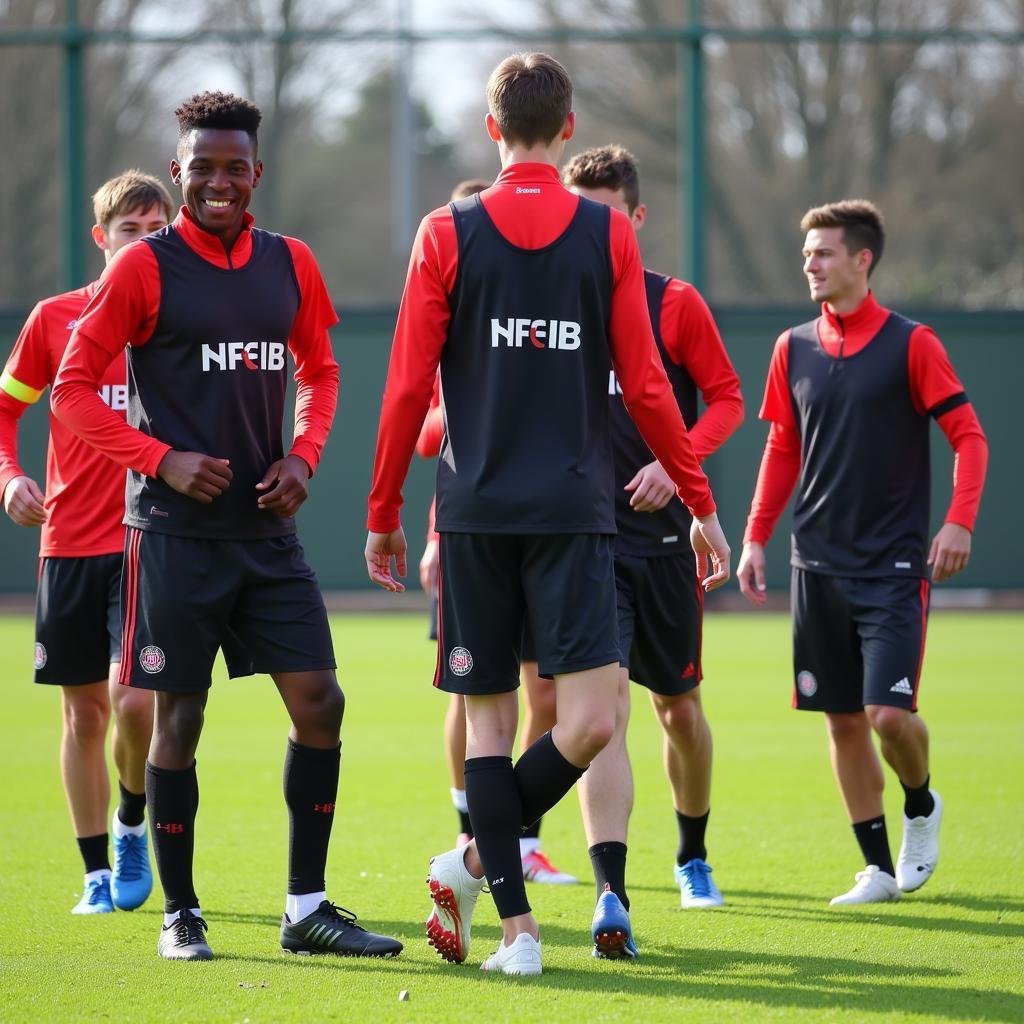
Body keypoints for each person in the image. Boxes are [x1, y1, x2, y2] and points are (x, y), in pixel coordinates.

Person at [365, 52, 730, 976]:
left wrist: (382, 511)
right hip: (550, 513)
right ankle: (518, 934)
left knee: (579, 718)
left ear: (492, 129)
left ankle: (473, 861)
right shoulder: (603, 238)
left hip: (515, 511)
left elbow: (406, 386)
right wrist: (701, 496)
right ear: (567, 129)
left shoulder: (444, 231)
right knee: (538, 723)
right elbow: (650, 389)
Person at [51, 91, 402, 962]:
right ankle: (182, 914)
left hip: (266, 539)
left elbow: (320, 371)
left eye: (233, 168)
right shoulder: (144, 268)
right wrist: (157, 458)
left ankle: (306, 908)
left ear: (257, 173)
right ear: (179, 173)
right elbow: (72, 388)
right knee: (179, 722)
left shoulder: (292, 263)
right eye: (201, 167)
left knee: (322, 704)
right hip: (171, 539)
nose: (218, 181)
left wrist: (305, 456)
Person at [736, 200, 988, 905]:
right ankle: (876, 867)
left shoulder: (914, 344)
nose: (809, 265)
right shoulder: (794, 347)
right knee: (843, 718)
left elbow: (970, 437)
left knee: (888, 716)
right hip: (814, 566)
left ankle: (921, 803)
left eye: (823, 253)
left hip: (894, 567)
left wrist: (959, 523)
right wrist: (757, 534)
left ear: (862, 260)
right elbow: (783, 446)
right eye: (807, 253)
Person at [561, 145, 744, 954]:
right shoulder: (552, 308)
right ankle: (611, 894)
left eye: (608, 215)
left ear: (636, 218)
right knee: (602, 720)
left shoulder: (676, 304)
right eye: (582, 215)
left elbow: (730, 401)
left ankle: (694, 852)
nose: (594, 231)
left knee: (679, 711)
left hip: (664, 544)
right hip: (579, 544)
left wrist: (682, 470)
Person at [0, 171, 172, 915]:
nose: (145, 242)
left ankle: (132, 817)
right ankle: (95, 873)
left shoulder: (176, 322)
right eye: (131, 230)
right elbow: (5, 414)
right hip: (68, 544)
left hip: (147, 541)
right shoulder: (54, 319)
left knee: (134, 702)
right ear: (102, 239)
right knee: (83, 714)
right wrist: (8, 478)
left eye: (156, 230)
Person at [418, 179, 576, 883]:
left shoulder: (569, 288)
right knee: (475, 695)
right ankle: (473, 831)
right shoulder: (453, 306)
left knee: (557, 700)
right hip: (469, 528)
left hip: (553, 521)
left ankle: (495, 844)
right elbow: (429, 434)